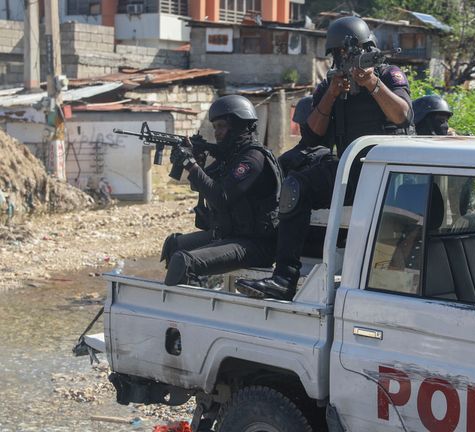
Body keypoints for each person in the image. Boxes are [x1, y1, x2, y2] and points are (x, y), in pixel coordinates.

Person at [236, 15, 413, 300]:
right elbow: (311, 137)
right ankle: (284, 278)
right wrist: (331, 95)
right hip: (351, 170)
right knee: (295, 186)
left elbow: (402, 115)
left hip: (388, 174)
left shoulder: (389, 74)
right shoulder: (330, 84)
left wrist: (372, 84)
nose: (346, 59)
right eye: (340, 54)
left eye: (352, 53)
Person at [161, 95, 282, 286]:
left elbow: (221, 197)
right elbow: (203, 185)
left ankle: (178, 309)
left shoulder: (253, 158)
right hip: (230, 235)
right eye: (215, 127)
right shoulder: (230, 158)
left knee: (184, 261)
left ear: (239, 125)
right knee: (173, 245)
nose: (217, 133)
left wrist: (191, 166)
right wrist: (197, 162)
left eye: (222, 126)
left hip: (256, 244)